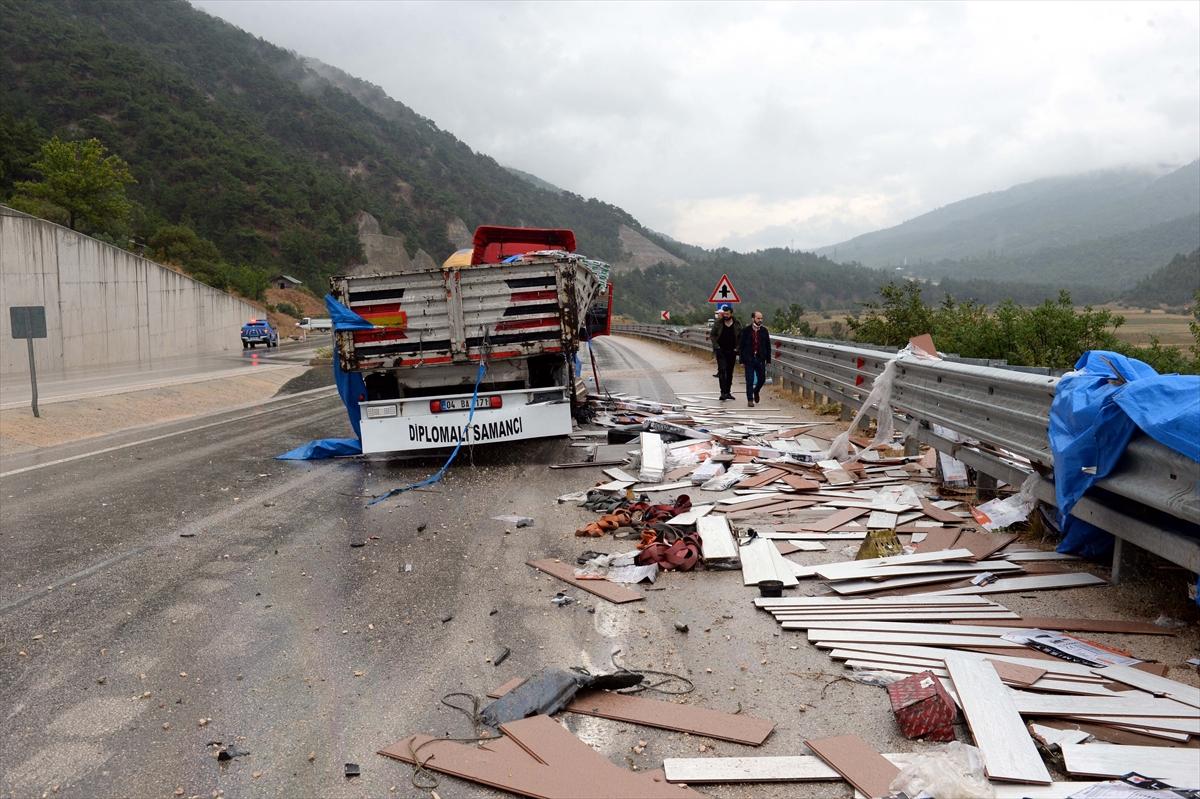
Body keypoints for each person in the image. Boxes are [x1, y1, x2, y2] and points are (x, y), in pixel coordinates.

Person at [739, 310, 771, 406]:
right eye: (758, 318)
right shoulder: (746, 330)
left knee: (762, 379)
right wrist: (741, 360)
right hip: (749, 358)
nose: (760, 320)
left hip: (760, 359)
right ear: (753, 318)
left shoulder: (764, 331)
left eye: (761, 318)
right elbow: (741, 346)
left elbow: (768, 346)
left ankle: (756, 391)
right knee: (750, 379)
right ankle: (750, 399)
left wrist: (768, 359)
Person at [709, 303, 741, 401]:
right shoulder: (718, 323)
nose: (725, 316)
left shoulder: (737, 323)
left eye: (727, 314)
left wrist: (737, 348)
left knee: (730, 372)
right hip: (721, 351)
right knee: (722, 370)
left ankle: (728, 392)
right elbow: (712, 335)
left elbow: (740, 336)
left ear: (731, 314)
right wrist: (716, 346)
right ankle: (722, 392)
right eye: (724, 314)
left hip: (732, 351)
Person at [710, 309, 722, 377]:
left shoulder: (723, 323)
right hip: (717, 345)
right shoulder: (717, 322)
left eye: (718, 314)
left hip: (723, 345)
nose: (716, 315)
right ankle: (720, 372)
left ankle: (722, 373)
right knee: (719, 359)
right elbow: (712, 334)